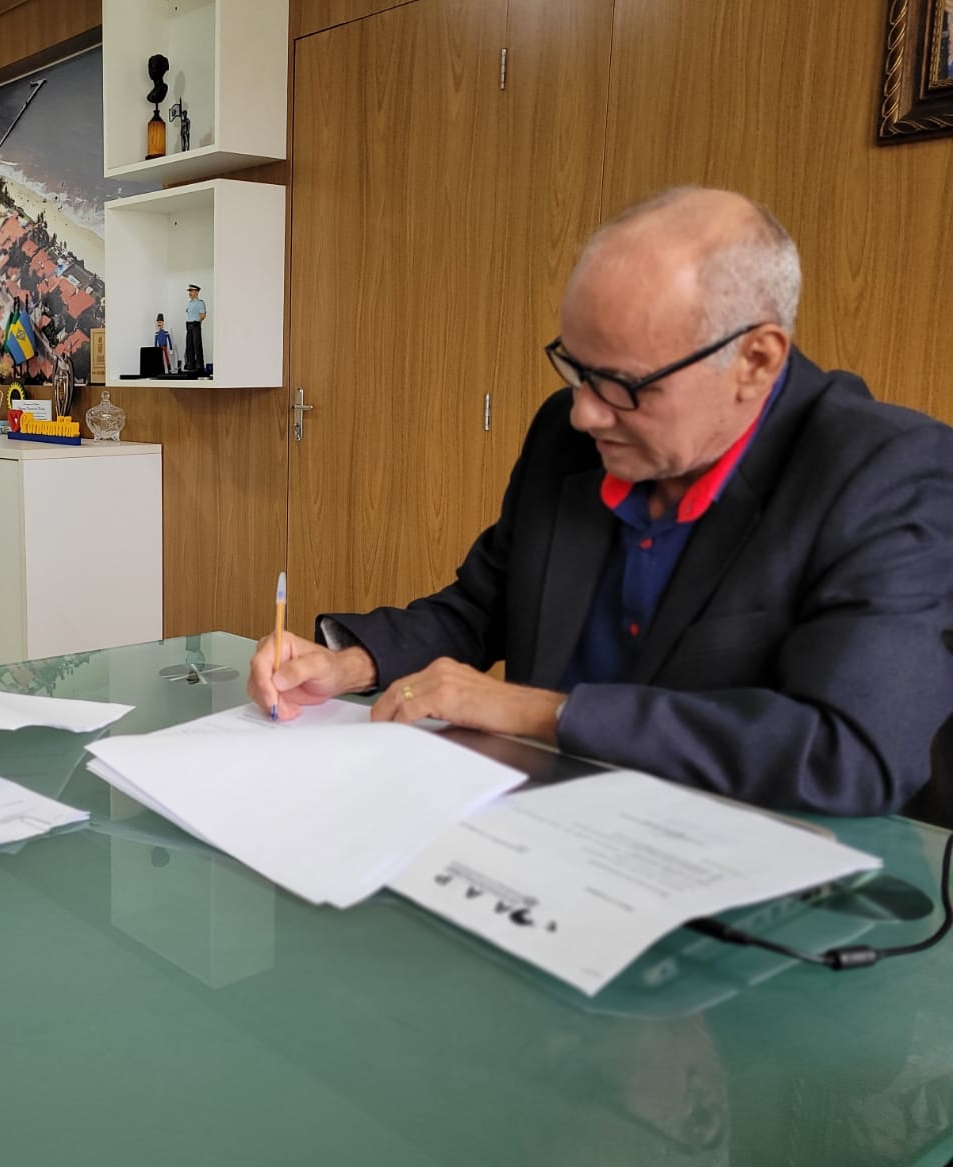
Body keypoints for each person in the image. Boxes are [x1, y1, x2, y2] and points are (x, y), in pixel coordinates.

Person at [249, 187, 953, 816]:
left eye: (621, 384)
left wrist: (542, 712)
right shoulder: (569, 433)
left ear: (756, 361)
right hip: (536, 828)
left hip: (737, 864)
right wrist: (352, 664)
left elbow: (849, 753)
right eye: (575, 368)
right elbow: (483, 605)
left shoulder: (886, 473)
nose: (584, 413)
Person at [184, 283, 207, 374]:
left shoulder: (200, 303)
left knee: (197, 346)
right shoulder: (190, 303)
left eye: (191, 291)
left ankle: (199, 366)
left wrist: (197, 322)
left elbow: (203, 315)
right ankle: (191, 364)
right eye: (189, 291)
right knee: (189, 346)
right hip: (189, 325)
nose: (189, 293)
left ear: (196, 292)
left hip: (195, 325)